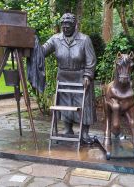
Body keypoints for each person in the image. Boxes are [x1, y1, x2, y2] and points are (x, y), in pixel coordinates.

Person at [42, 13, 97, 144]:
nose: (65, 28)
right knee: (65, 103)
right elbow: (42, 51)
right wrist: (31, 44)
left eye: (68, 26)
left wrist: (87, 75)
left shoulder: (85, 39)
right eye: (63, 26)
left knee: (83, 104)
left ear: (74, 26)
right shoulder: (55, 39)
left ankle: (84, 133)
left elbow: (91, 60)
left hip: (80, 76)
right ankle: (68, 130)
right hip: (64, 77)